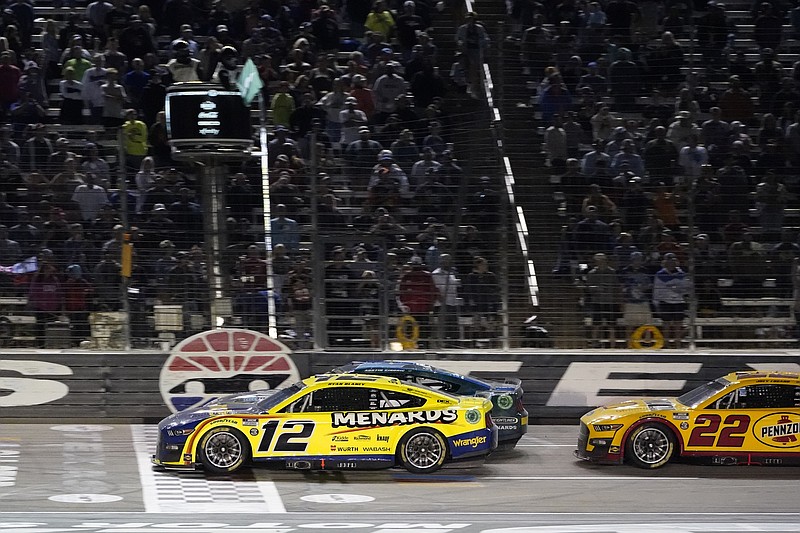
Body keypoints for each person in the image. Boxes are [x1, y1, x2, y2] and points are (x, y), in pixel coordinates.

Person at [397, 256, 438, 348]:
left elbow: (432, 290)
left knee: (424, 327)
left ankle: (425, 344)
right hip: (410, 308)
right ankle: (411, 344)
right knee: (411, 327)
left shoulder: (427, 276)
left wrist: (431, 304)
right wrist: (403, 305)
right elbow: (401, 292)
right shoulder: (406, 277)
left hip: (424, 307)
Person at [652, 252, 690, 347]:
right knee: (666, 323)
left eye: (673, 261)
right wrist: (656, 302)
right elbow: (657, 289)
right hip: (665, 301)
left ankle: (677, 342)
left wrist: (679, 290)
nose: (671, 263)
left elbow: (686, 288)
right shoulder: (660, 274)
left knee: (678, 323)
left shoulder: (681, 274)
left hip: (679, 301)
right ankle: (666, 342)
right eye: (669, 261)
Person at [584, 252, 620, 348]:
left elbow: (617, 286)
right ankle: (594, 344)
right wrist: (596, 288)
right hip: (597, 301)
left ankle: (613, 345)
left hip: (609, 301)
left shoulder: (612, 272)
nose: (600, 262)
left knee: (611, 325)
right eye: (598, 261)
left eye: (602, 260)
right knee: (596, 324)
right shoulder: (592, 273)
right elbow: (588, 287)